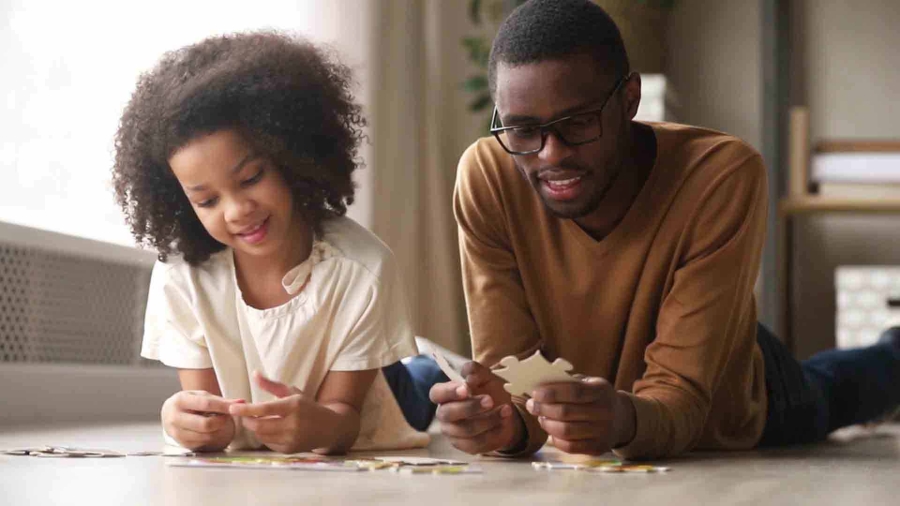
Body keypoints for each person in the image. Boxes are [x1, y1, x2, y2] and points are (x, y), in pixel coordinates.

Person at [429, 0, 900, 460]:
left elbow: (683, 399)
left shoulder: (719, 175)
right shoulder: (488, 176)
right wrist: (501, 425)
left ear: (629, 100)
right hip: (619, 405)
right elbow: (511, 387)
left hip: (728, 390)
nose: (551, 154)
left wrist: (621, 420)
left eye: (577, 123)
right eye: (523, 130)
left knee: (841, 387)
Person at [112, 31, 442, 454]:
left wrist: (323, 427)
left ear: (291, 156)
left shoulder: (363, 268)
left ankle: (426, 364)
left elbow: (345, 419)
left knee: (416, 388)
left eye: (251, 178)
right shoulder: (182, 275)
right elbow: (206, 412)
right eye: (207, 200)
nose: (236, 210)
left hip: (377, 398)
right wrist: (187, 421)